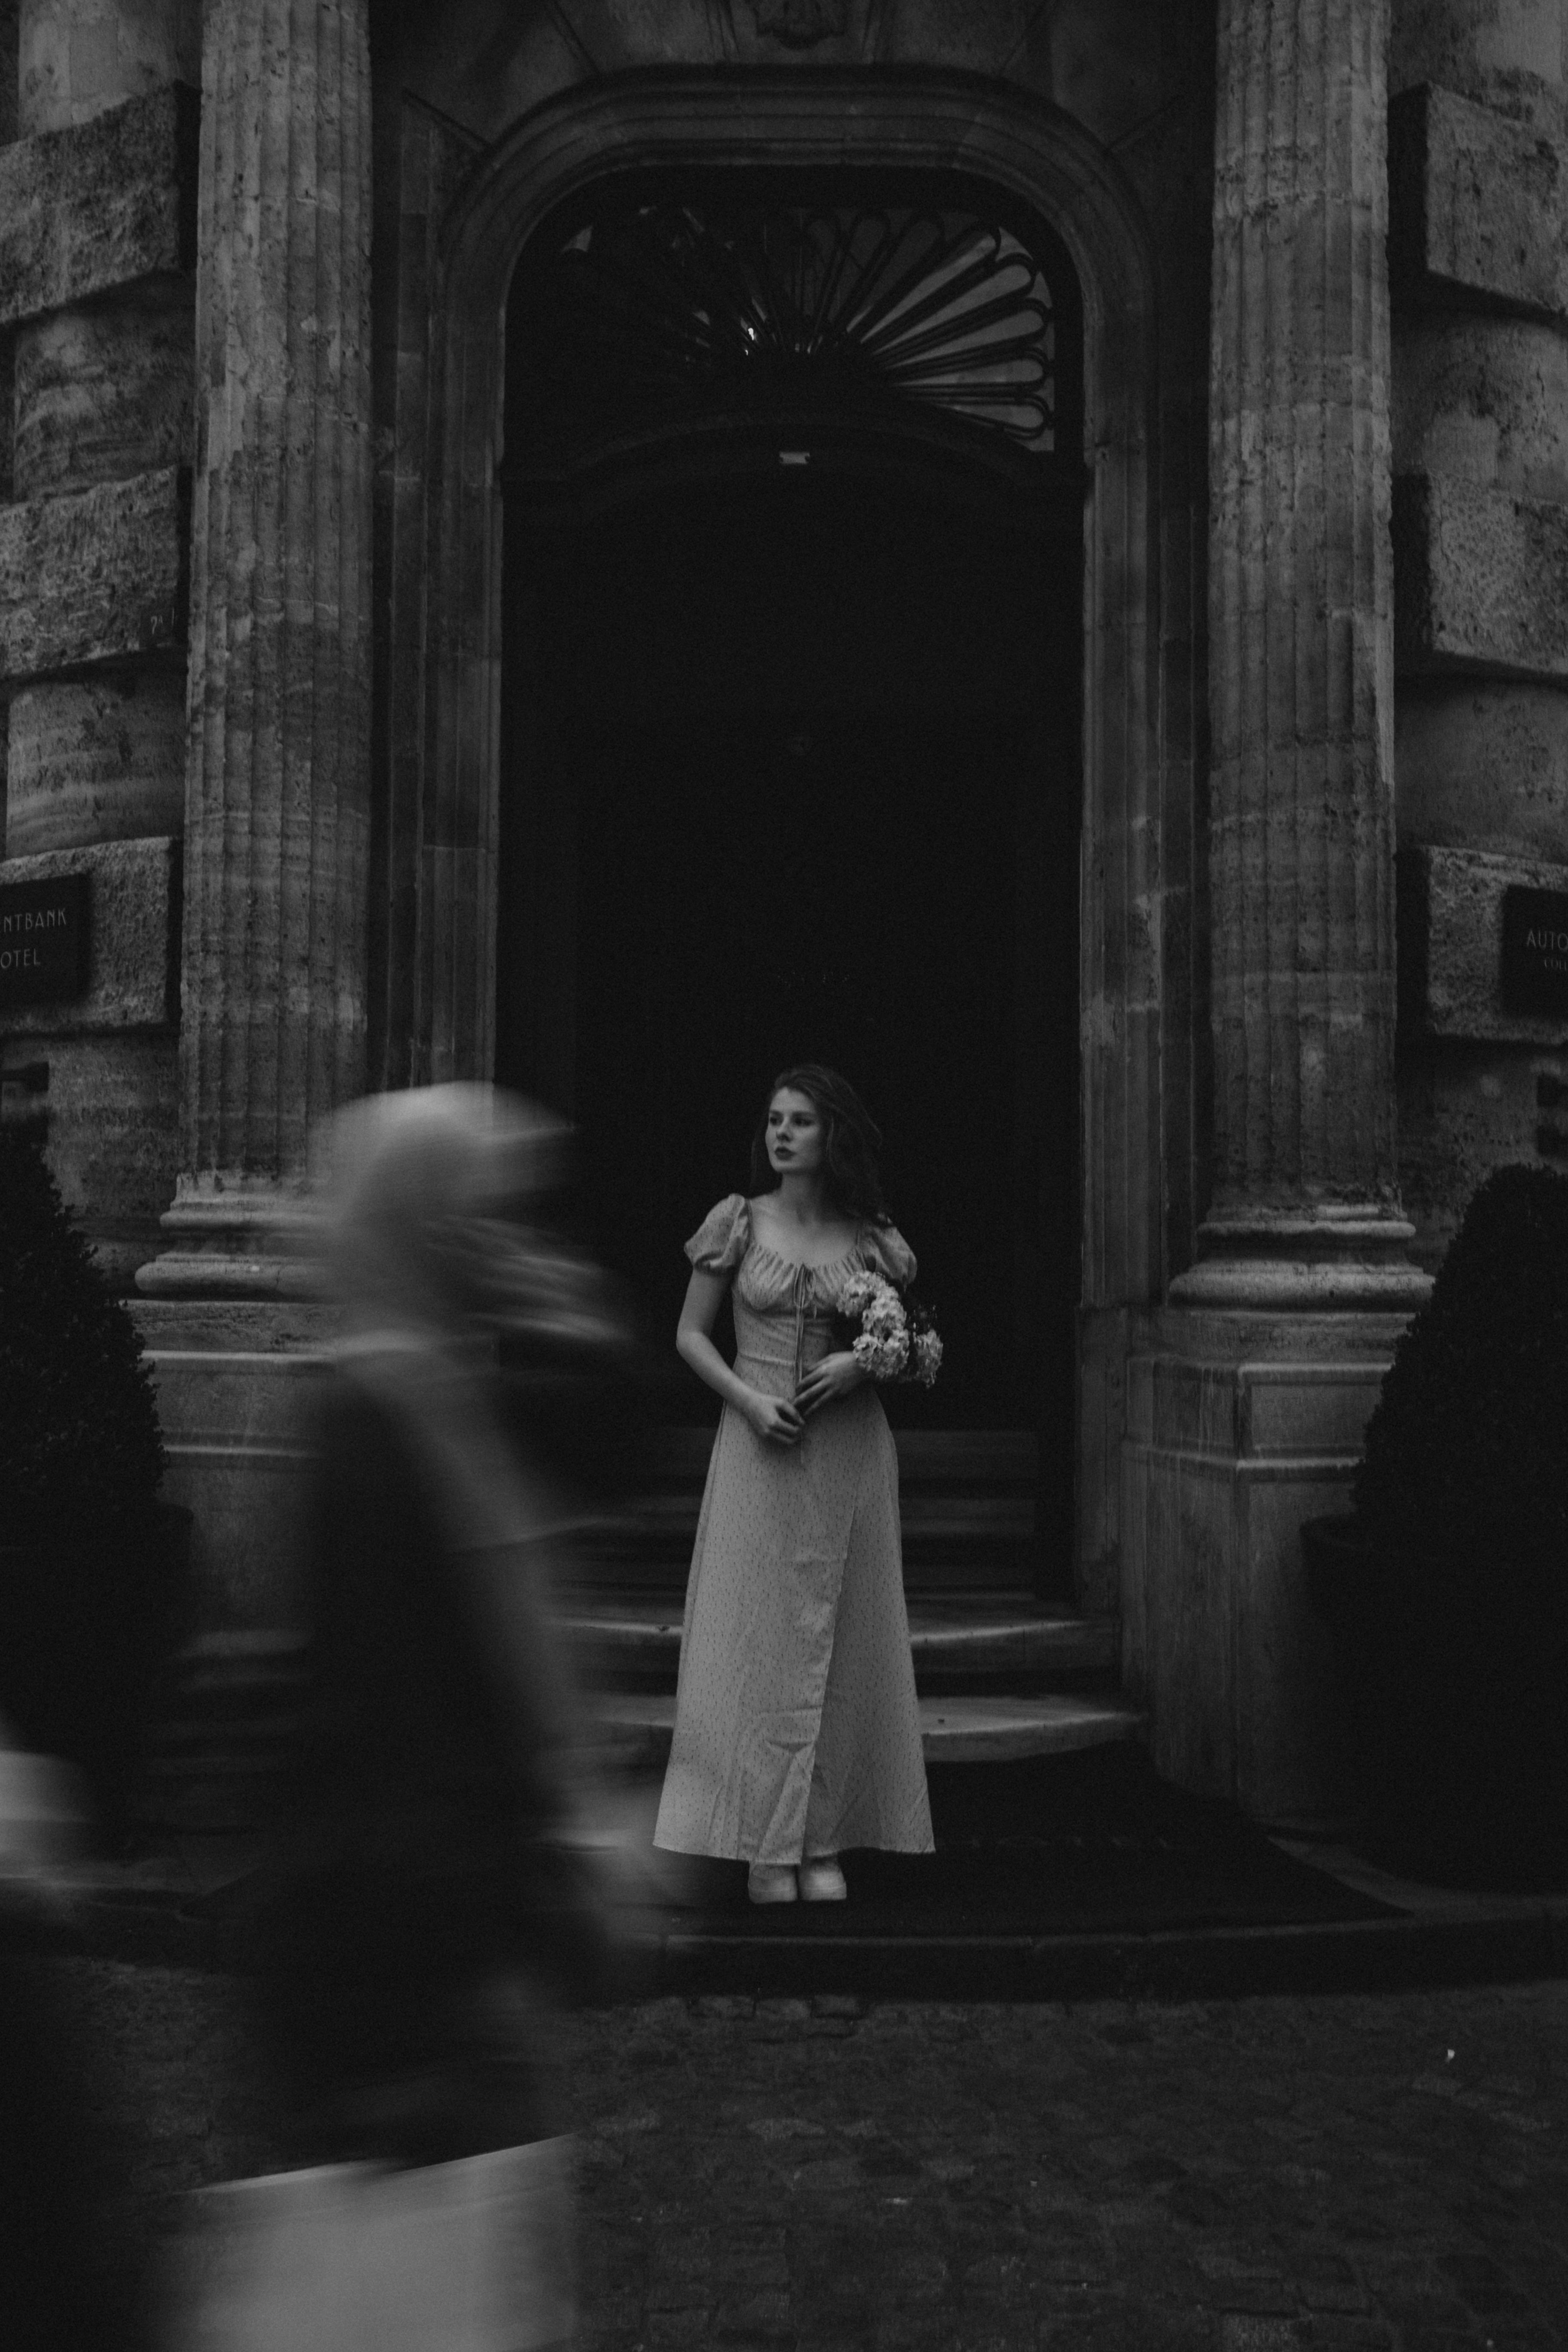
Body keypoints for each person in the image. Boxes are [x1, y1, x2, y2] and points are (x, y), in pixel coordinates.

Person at [232, 1083, 622, 2349]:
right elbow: (373, 1729)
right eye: (481, 1219)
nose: (512, 1244)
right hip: (413, 1978)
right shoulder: (371, 1419)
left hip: (439, 1954)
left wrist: (565, 1329)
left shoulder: (438, 1396)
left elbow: (590, 1469)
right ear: (420, 1228)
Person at [653, 1064, 934, 1903]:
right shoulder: (737, 1222)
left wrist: (864, 1361)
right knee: (759, 1645)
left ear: (831, 1134)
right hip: (760, 1446)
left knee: (843, 1643)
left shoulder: (872, 1236)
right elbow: (689, 1336)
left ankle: (822, 1840)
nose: (782, 1133)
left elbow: (920, 1341)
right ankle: (762, 1844)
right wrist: (746, 1399)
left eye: (801, 1121)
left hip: (848, 1452)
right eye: (774, 1119)